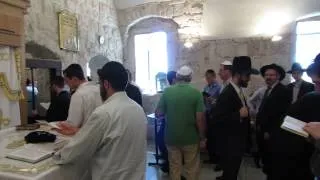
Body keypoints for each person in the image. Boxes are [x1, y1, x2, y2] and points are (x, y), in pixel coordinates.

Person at [53, 61, 147, 180]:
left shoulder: (103, 113)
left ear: (106, 84)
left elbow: (80, 147)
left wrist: (59, 155)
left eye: (100, 83)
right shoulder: (138, 110)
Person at [212, 56, 258, 180]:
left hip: (236, 144)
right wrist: (238, 115)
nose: (249, 78)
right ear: (238, 74)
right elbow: (216, 119)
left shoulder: (237, 90)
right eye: (247, 75)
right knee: (230, 175)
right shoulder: (228, 93)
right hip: (230, 145)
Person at [156, 66, 206, 180]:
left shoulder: (167, 91)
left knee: (174, 168)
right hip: (191, 138)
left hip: (171, 137)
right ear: (190, 78)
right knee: (191, 169)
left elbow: (158, 113)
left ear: (177, 77)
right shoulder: (196, 93)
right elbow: (200, 119)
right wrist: (202, 138)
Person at [282, 53, 320, 179]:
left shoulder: (310, 90)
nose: (317, 89)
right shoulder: (288, 88)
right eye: (315, 83)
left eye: (319, 83)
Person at [255, 63, 292, 179]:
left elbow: (280, 115)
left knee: (272, 162)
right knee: (266, 160)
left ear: (278, 76)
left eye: (271, 75)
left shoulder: (282, 90)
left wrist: (269, 131)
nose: (268, 77)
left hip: (272, 134)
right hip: (264, 131)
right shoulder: (269, 90)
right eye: (266, 75)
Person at [56, 64, 102, 135]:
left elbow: (73, 124)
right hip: (100, 133)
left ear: (75, 79)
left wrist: (59, 124)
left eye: (67, 81)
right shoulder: (99, 88)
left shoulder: (78, 95)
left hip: (85, 136)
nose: (66, 84)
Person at [158, 71, 177, 173]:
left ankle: (169, 164)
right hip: (173, 122)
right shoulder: (170, 91)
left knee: (161, 141)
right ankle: (169, 163)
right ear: (174, 79)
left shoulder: (168, 92)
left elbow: (159, 111)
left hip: (170, 123)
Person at [203, 69, 221, 164]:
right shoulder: (206, 87)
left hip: (215, 114)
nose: (207, 79)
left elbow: (221, 103)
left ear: (214, 77)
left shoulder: (219, 87)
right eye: (206, 77)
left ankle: (217, 159)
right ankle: (211, 157)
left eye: (209, 77)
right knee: (209, 136)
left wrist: (212, 100)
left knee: (215, 137)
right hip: (207, 114)